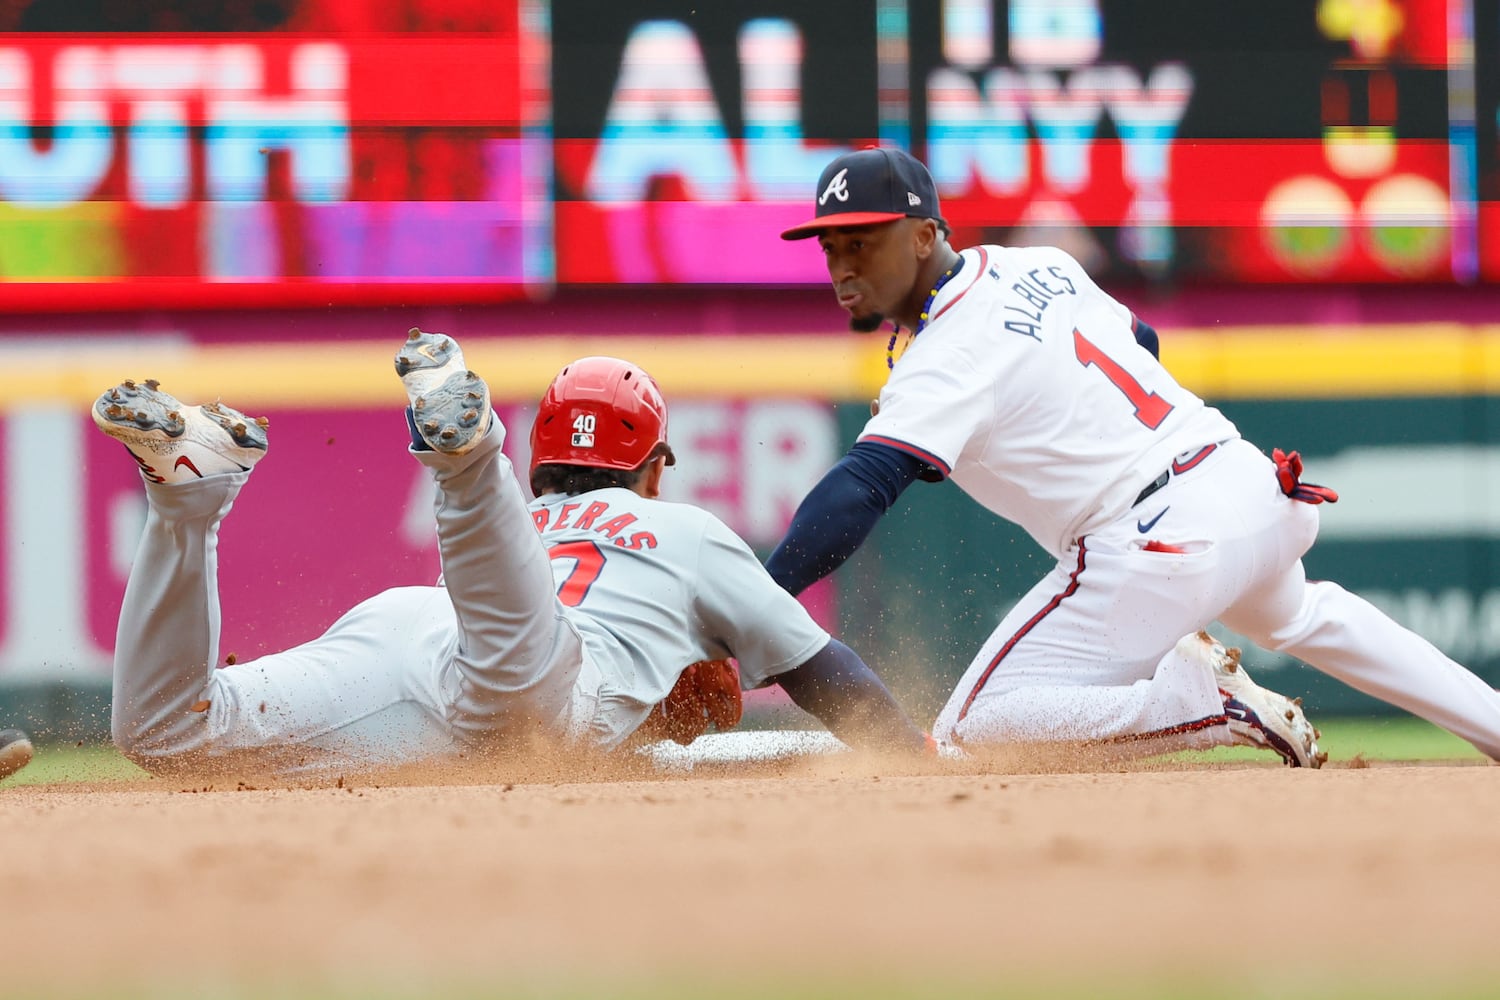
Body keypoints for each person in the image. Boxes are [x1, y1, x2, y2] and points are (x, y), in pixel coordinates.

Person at [767, 145, 1500, 768]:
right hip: (1246, 482)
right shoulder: (1039, 263)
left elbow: (858, 491)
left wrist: (760, 601)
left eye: (862, 241)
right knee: (1306, 616)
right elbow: (1140, 342)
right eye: (831, 247)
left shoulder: (944, 358)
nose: (842, 266)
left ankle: (1202, 706)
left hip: (1156, 538)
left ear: (924, 235)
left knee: (972, 731)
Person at [92, 330, 929, 775]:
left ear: (542, 464)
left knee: (170, 737)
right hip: (535, 673)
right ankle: (462, 458)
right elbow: (828, 673)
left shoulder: (535, 518)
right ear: (656, 465)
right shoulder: (689, 532)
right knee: (518, 690)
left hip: (412, 632)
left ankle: (187, 498)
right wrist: (913, 761)